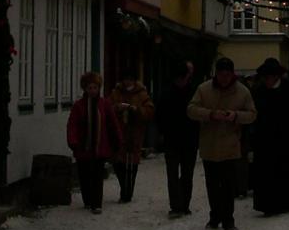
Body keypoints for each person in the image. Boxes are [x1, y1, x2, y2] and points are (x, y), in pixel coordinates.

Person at [186, 57, 256, 230]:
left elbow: (252, 114)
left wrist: (235, 116)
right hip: (209, 145)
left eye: (227, 74)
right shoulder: (204, 89)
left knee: (228, 185)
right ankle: (214, 216)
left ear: (232, 74)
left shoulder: (242, 91)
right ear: (216, 74)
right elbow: (191, 110)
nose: (224, 78)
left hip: (230, 146)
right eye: (221, 74)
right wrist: (210, 114)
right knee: (212, 185)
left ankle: (228, 220)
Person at [250, 58, 289, 215]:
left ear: (276, 76)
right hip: (265, 139)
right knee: (266, 173)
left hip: (287, 139)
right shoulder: (258, 91)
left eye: (270, 77)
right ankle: (267, 205)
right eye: (265, 77)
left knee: (286, 171)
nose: (267, 81)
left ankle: (287, 202)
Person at [65, 71, 119, 214]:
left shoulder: (104, 104)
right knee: (84, 176)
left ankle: (96, 203)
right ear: (85, 88)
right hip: (83, 147)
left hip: (100, 147)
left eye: (95, 87)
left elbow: (112, 123)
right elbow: (72, 125)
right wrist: (73, 141)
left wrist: (117, 140)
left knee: (97, 176)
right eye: (90, 88)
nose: (93, 90)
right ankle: (88, 200)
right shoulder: (79, 106)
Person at [155, 61, 200, 218]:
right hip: (174, 139)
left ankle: (184, 204)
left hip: (188, 139)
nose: (181, 80)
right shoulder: (169, 93)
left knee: (186, 174)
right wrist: (162, 133)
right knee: (173, 174)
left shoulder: (193, 93)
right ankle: (176, 205)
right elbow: (159, 116)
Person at [106, 73, 154, 204]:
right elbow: (107, 108)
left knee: (132, 162)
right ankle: (124, 188)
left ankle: (128, 191)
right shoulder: (116, 93)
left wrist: (136, 110)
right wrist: (117, 108)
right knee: (118, 162)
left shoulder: (141, 94)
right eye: (126, 79)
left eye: (130, 80)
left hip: (135, 133)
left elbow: (149, 111)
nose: (128, 82)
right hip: (119, 132)